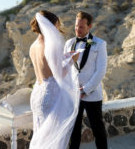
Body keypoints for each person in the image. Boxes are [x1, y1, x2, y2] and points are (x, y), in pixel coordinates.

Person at [29, 10, 80, 149]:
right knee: (53, 140)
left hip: (37, 93)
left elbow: (46, 66)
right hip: (51, 95)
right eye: (56, 25)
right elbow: (59, 74)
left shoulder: (33, 46)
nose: (57, 29)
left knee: (41, 137)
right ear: (50, 26)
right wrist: (72, 60)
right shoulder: (50, 45)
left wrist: (64, 56)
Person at [65, 11, 108, 149]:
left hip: (92, 94)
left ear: (90, 26)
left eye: (81, 27)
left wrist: (86, 89)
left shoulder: (100, 44)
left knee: (98, 129)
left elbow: (101, 70)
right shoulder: (68, 43)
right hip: (73, 94)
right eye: (76, 26)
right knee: (74, 130)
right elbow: (65, 68)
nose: (77, 29)